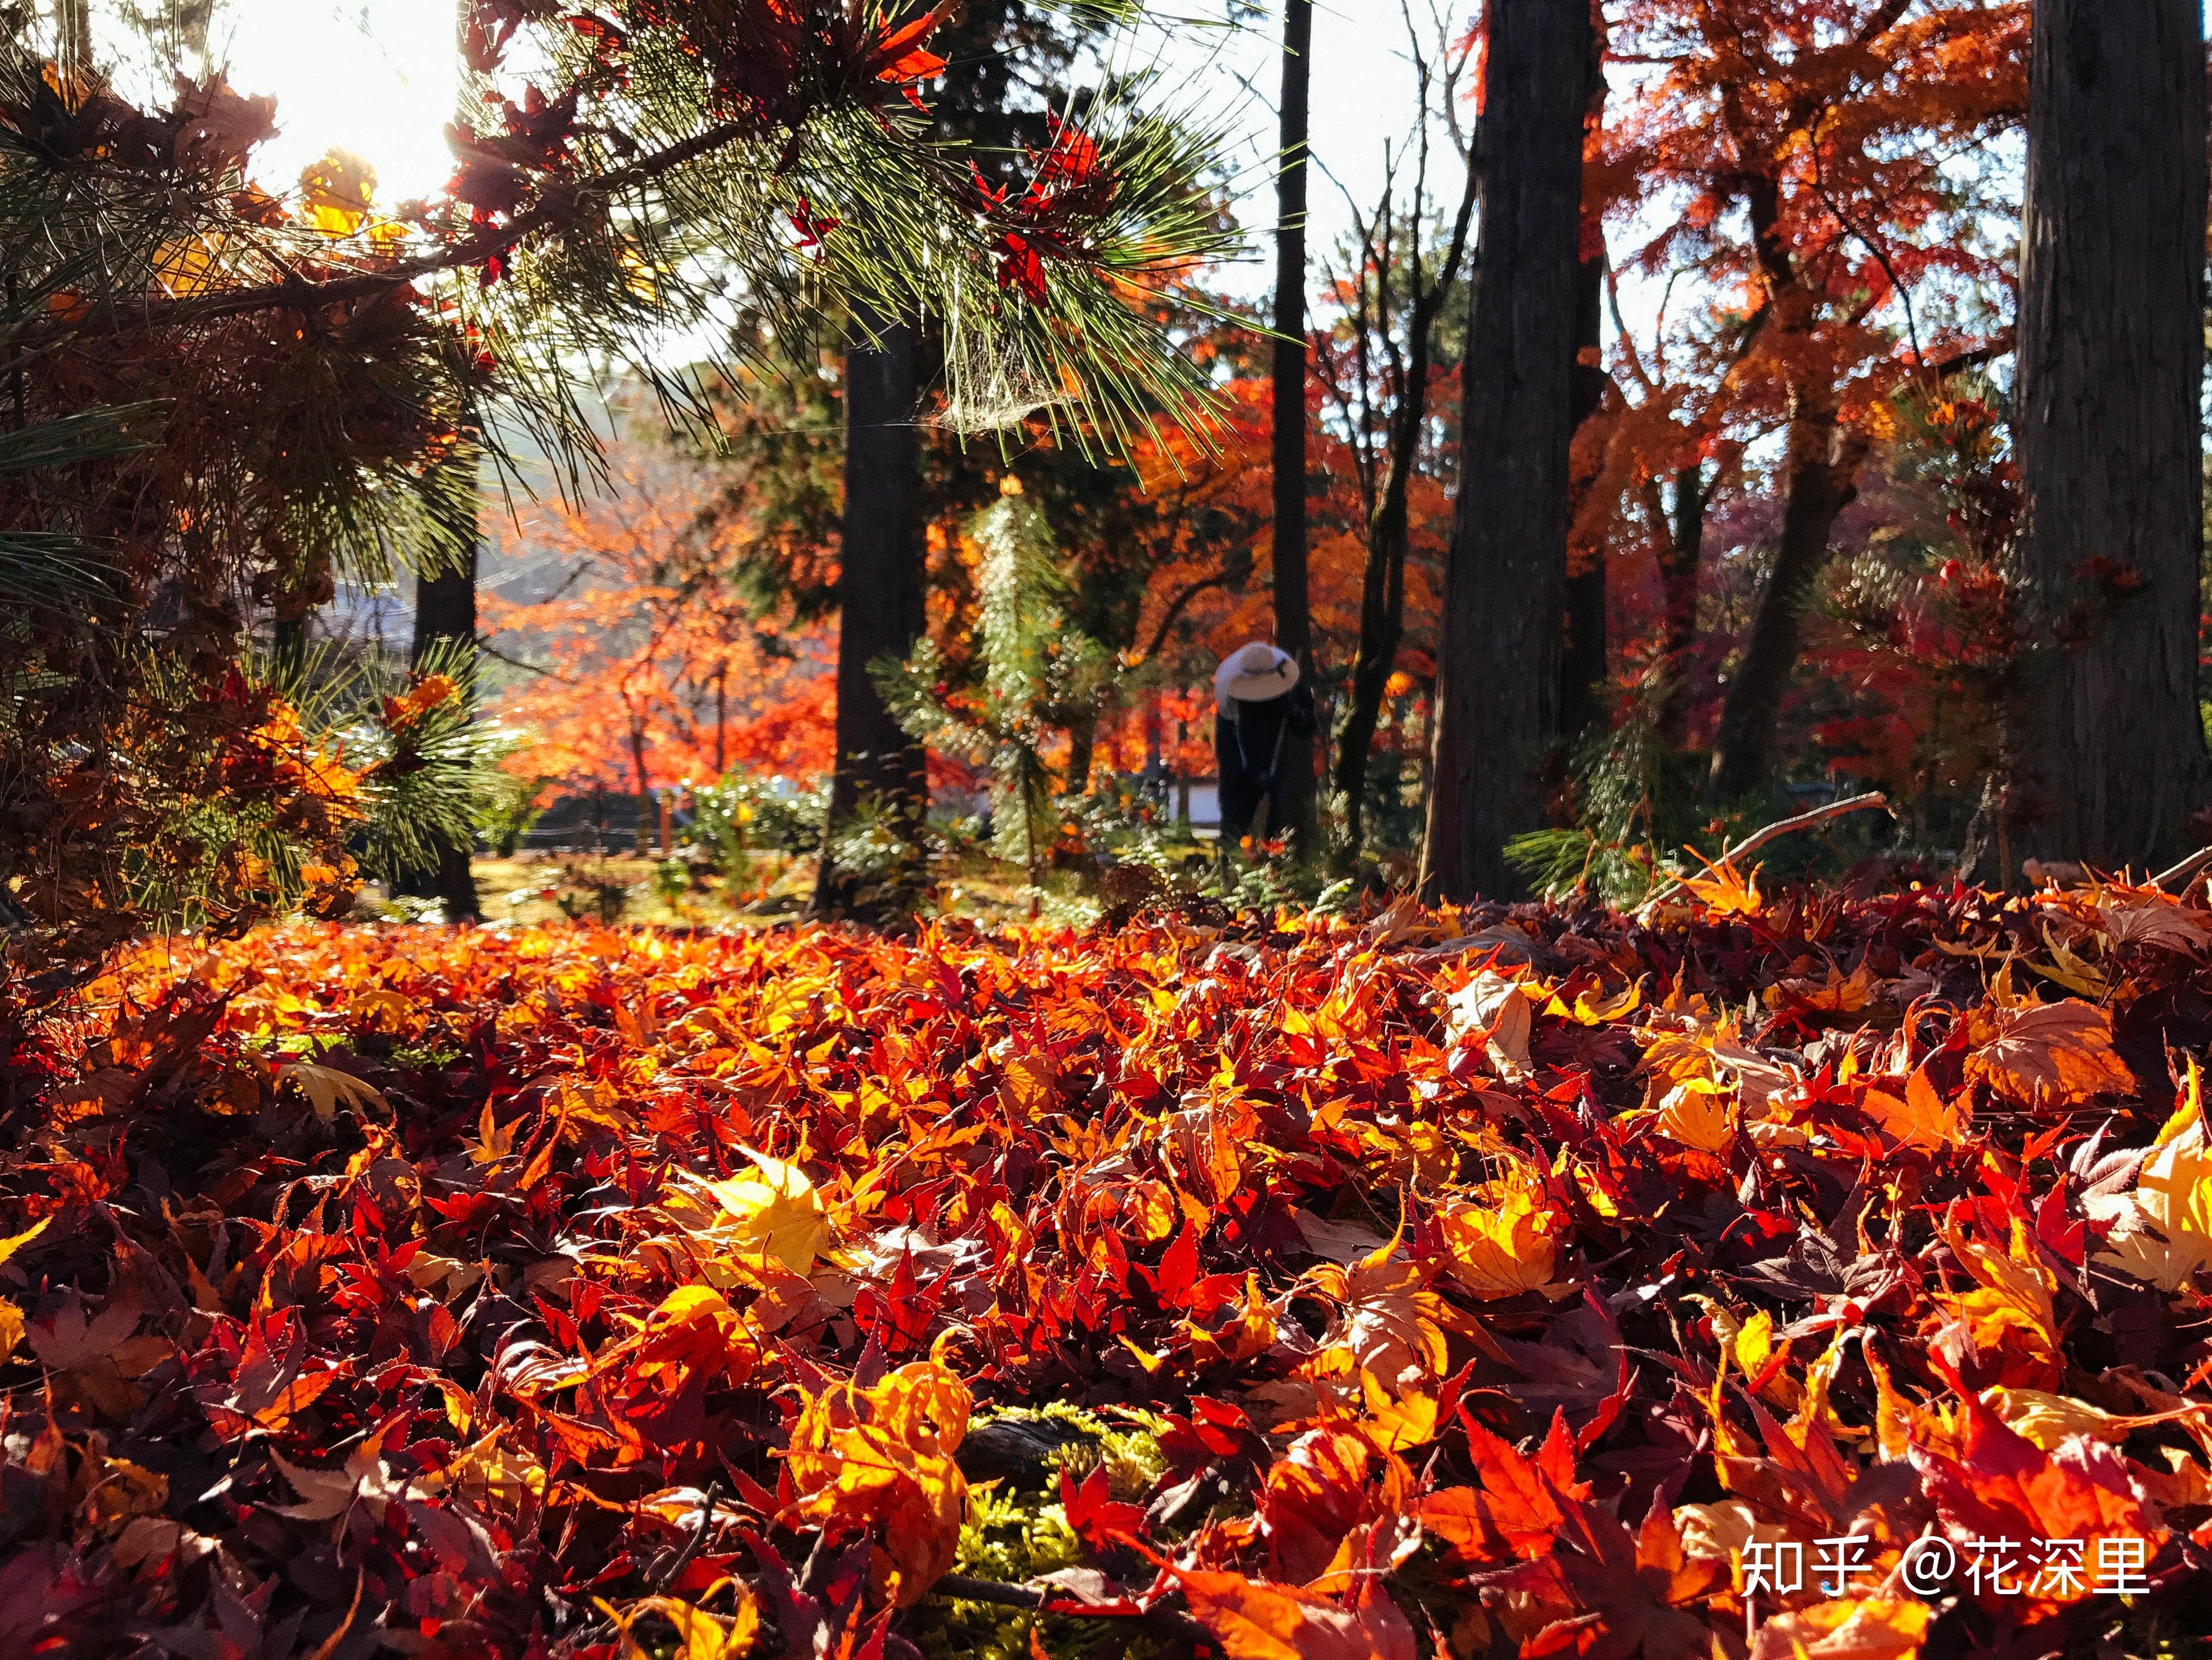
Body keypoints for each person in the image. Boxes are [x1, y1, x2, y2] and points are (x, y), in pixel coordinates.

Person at [1213, 641, 1314, 849]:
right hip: (1239, 781)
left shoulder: (1289, 691)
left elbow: (1307, 727)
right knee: (1234, 837)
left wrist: (1294, 712)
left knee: (1271, 839)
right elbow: (1227, 748)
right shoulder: (1233, 700)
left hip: (1276, 774)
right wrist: (1251, 774)